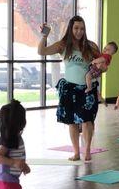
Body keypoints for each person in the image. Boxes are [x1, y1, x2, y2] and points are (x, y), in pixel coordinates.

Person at [38, 16, 100, 161]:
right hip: (70, 89)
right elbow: (42, 51)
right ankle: (76, 152)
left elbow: (102, 66)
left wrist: (100, 71)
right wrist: (44, 36)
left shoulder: (91, 46)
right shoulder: (63, 45)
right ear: (71, 29)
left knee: (87, 120)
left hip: (87, 89)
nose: (79, 32)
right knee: (71, 122)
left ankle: (88, 150)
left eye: (82, 29)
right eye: (76, 28)